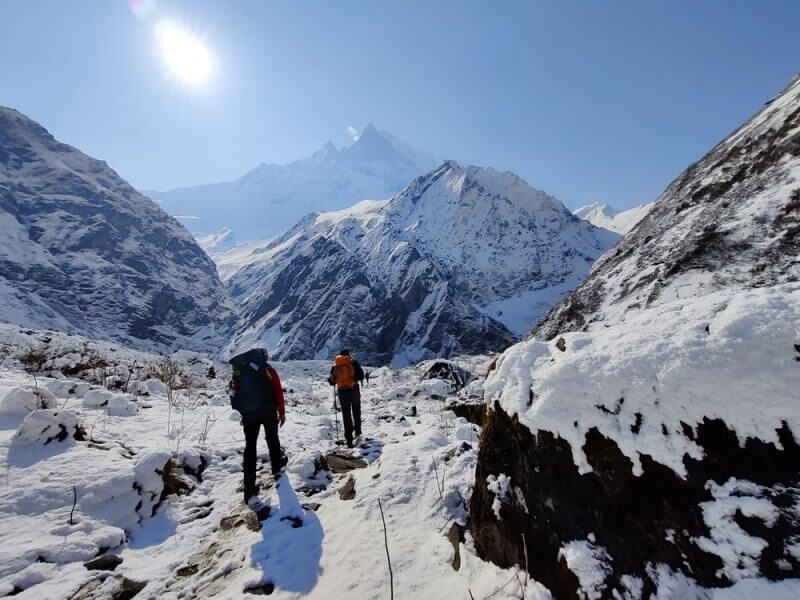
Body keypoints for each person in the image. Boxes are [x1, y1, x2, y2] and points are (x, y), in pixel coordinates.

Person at [228, 348, 286, 504]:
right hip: (268, 411)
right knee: (272, 439)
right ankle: (276, 469)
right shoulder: (267, 369)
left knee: (250, 448)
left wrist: (242, 410)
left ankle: (249, 489)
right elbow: (278, 391)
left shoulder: (239, 371)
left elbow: (233, 392)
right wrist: (281, 412)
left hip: (248, 415)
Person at [327, 349, 364, 448]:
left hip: (342, 392)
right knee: (356, 410)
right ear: (348, 355)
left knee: (346, 413)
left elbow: (331, 381)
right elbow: (361, 375)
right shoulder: (353, 362)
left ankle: (349, 439)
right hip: (354, 390)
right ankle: (358, 431)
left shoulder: (336, 365)